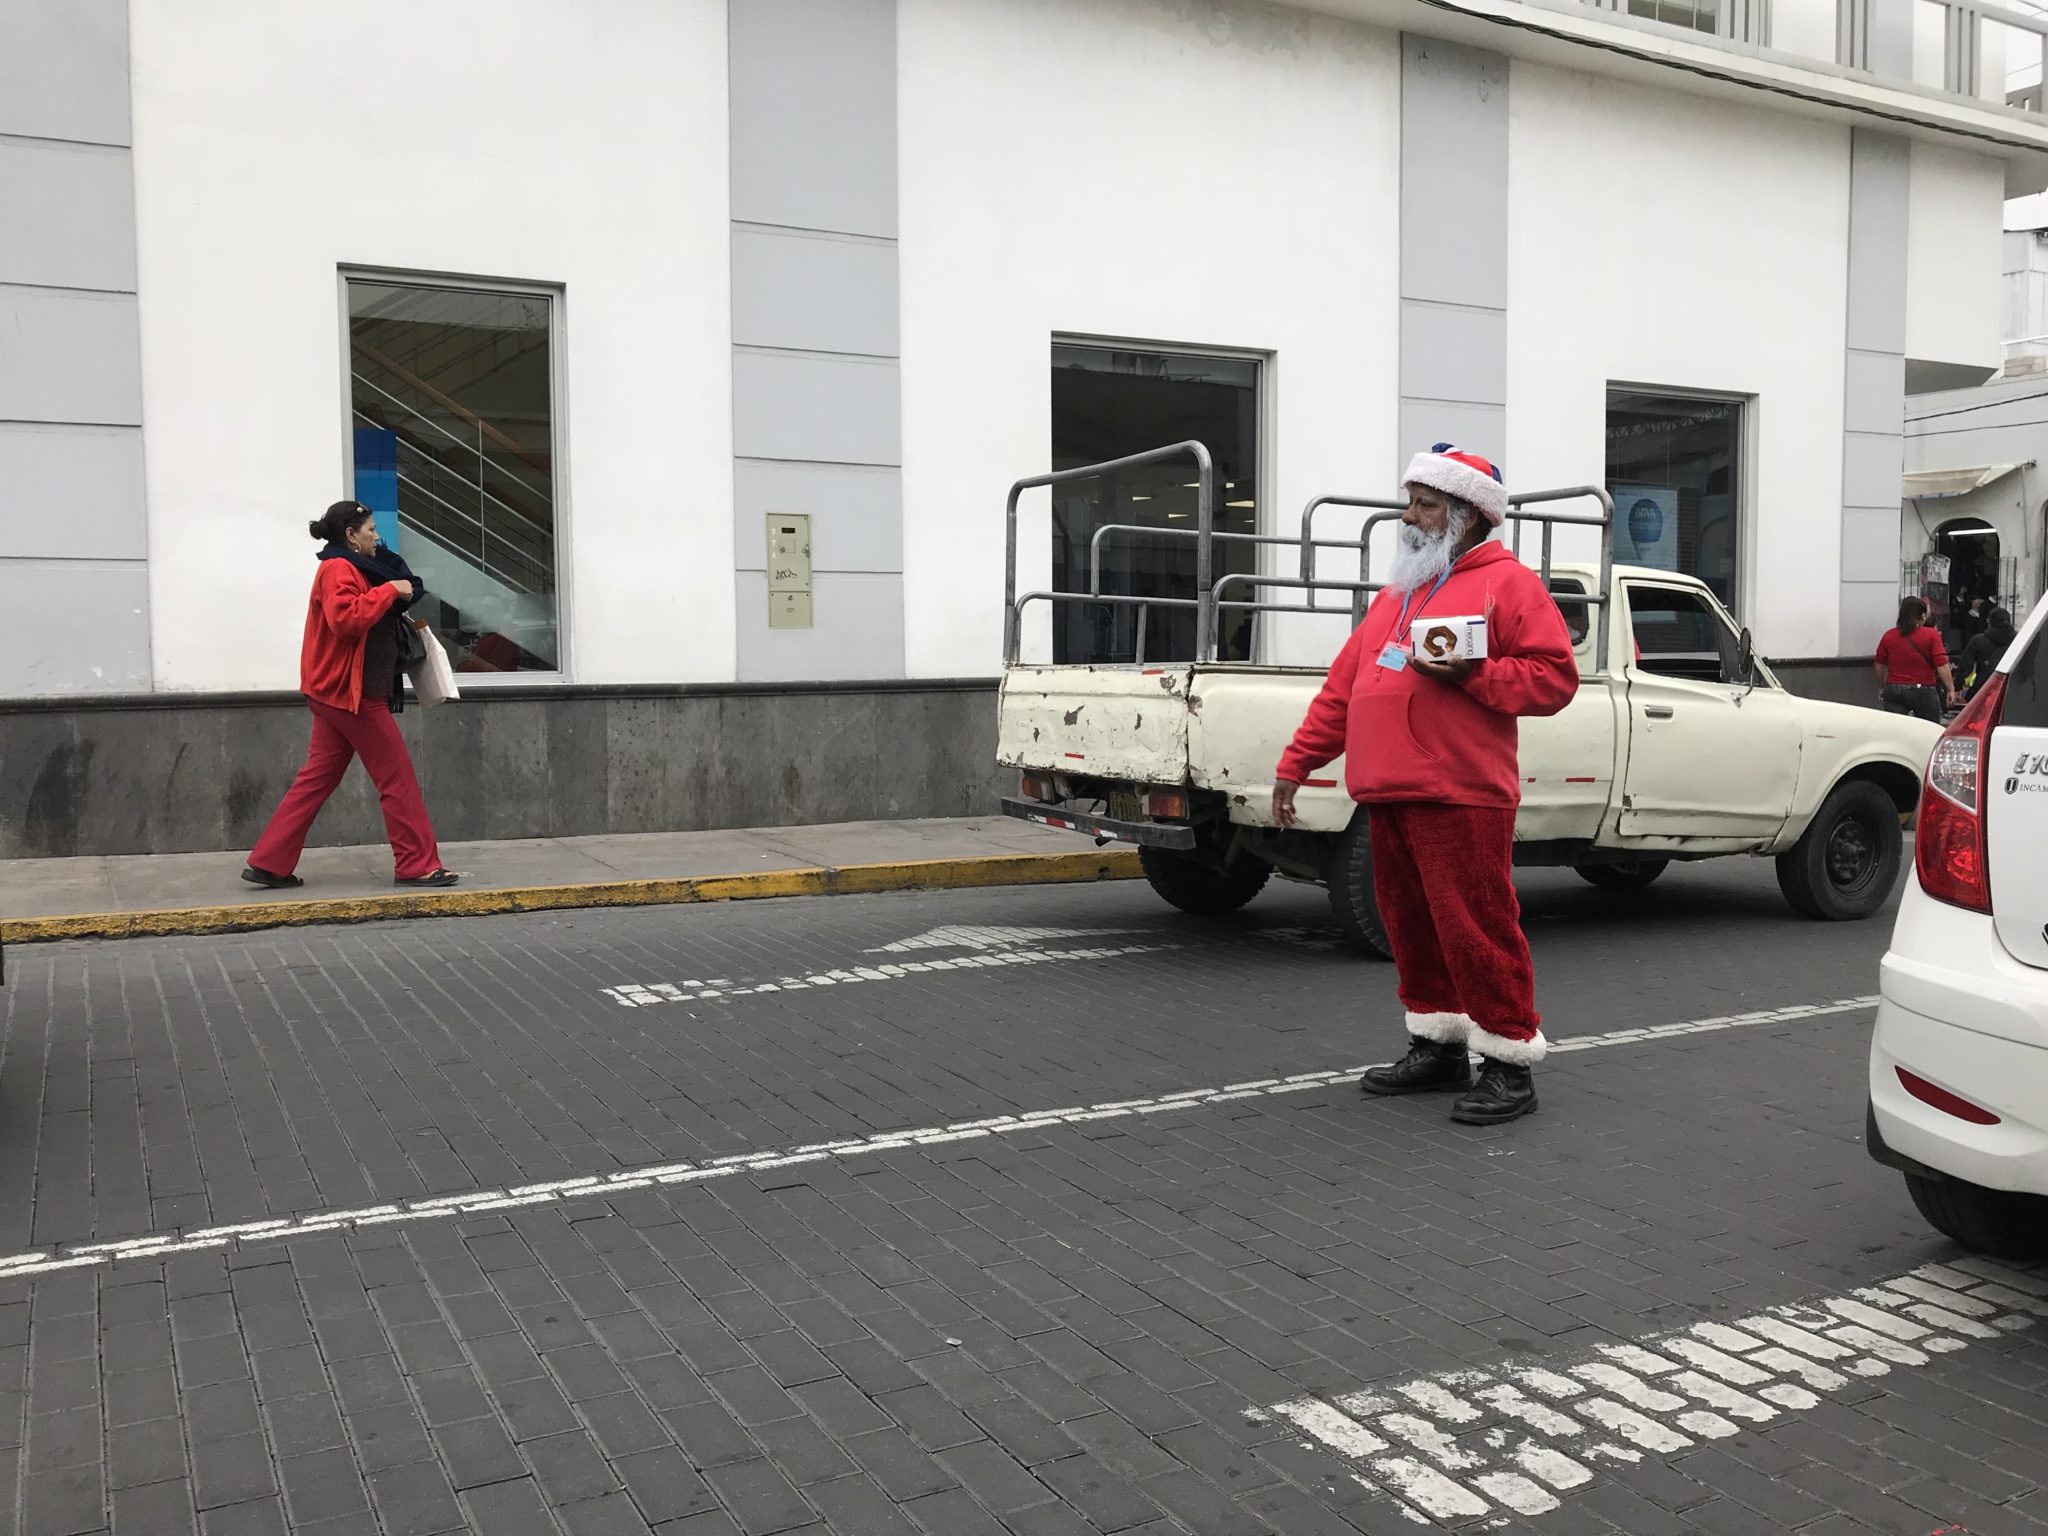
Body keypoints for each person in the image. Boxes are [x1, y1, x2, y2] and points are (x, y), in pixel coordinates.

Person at [1272, 445, 1578, 1126]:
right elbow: (1342, 693)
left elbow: (1555, 678)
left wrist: (1473, 676)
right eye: (1411, 501)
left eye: (1425, 503)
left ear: (1466, 515)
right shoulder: (1397, 594)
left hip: (1462, 793)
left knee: (1475, 929)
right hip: (1389, 792)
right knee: (1413, 929)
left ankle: (1507, 1062)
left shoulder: (1509, 584)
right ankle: (1438, 1046)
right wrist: (1297, 764)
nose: (1408, 516)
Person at [243, 501, 458, 890]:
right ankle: (416, 864)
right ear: (350, 536)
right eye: (371, 530)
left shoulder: (354, 565)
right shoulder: (338, 568)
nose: (377, 536)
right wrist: (390, 590)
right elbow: (345, 620)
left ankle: (270, 861)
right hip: (352, 696)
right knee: (398, 778)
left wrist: (392, 584)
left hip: (336, 692)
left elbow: (384, 592)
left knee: (316, 780)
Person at [1874, 596, 1959, 723]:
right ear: (1922, 616)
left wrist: (1882, 687)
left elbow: (1878, 665)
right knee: (1929, 728)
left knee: (1896, 729)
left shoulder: (1889, 635)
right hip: (1923, 690)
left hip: (1895, 689)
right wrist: (1951, 689)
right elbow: (1942, 665)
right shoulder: (1931, 635)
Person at [1959, 605, 2017, 699]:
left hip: (1982, 688)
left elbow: (1965, 666)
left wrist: (1957, 685)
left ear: (1989, 622)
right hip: (2009, 689)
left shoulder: (1978, 640)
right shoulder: (2017, 641)